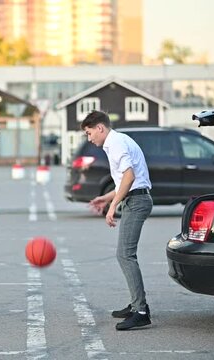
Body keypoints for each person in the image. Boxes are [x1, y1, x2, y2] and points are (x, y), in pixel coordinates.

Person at [81, 110, 153, 331]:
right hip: (135, 198)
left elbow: (130, 177)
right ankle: (135, 305)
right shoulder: (115, 142)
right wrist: (107, 198)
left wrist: (113, 206)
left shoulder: (117, 143)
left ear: (100, 128)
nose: (89, 138)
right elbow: (126, 181)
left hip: (138, 201)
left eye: (89, 132)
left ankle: (141, 311)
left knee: (125, 255)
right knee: (125, 255)